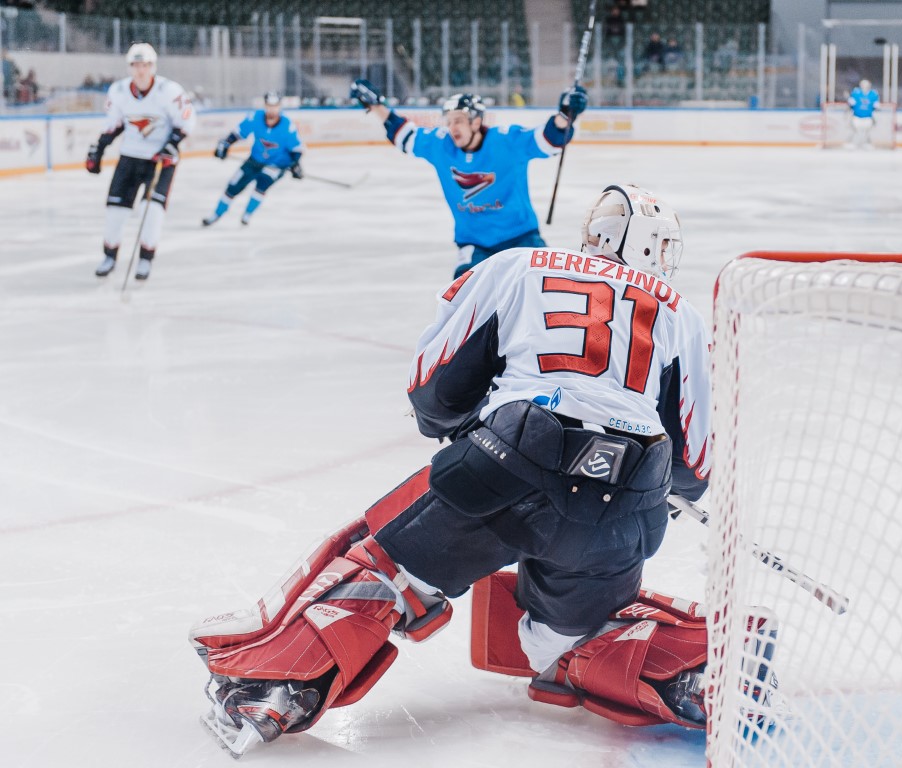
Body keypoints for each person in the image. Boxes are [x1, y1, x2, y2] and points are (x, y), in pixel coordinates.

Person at [189, 184, 730, 757]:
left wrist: (467, 422)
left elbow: (435, 390)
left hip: (507, 467)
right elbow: (695, 467)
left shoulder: (517, 266)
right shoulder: (682, 315)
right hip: (626, 504)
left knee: (387, 575)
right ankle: (684, 677)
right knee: (566, 640)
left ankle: (274, 690)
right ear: (655, 249)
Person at [350, 79, 587, 277]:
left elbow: (548, 139)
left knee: (547, 291)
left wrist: (565, 115)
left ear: (476, 121)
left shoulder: (506, 141)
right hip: (474, 245)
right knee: (462, 302)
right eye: (450, 121)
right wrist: (376, 105)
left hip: (522, 238)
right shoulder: (441, 145)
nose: (453, 127)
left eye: (459, 121)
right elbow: (404, 134)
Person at [87, 42, 195, 280]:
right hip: (130, 157)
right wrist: (99, 149)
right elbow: (114, 125)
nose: (141, 71)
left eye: (145, 65)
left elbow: (186, 121)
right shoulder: (119, 91)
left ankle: (145, 259)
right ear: (130, 67)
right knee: (116, 210)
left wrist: (171, 144)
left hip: (160, 161)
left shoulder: (169, 91)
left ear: (153, 66)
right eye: (136, 65)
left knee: (152, 210)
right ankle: (110, 255)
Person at [202, 91, 305, 227]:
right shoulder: (255, 117)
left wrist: (295, 165)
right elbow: (238, 133)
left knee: (262, 184)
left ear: (279, 106)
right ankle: (216, 214)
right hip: (254, 160)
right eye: (269, 106)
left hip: (276, 164)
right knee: (233, 186)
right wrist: (226, 145)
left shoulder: (288, 126)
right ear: (265, 105)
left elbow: (296, 149)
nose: (271, 110)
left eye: (275, 106)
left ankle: (247, 214)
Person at [847, 79, 880, 149]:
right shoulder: (856, 92)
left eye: (866, 85)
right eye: (863, 85)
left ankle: (867, 144)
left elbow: (876, 107)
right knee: (856, 131)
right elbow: (851, 104)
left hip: (868, 117)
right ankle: (853, 143)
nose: (865, 86)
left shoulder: (873, 94)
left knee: (867, 132)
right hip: (857, 116)